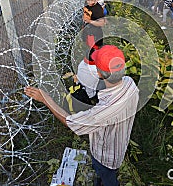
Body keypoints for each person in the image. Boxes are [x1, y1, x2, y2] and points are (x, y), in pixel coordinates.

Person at [24, 45, 139, 186]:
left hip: (106, 158)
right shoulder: (130, 84)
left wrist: (46, 100)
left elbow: (72, 123)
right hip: (120, 145)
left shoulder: (103, 111)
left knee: (107, 178)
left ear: (99, 73)